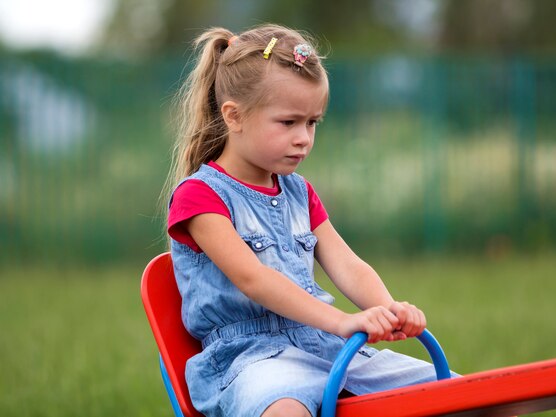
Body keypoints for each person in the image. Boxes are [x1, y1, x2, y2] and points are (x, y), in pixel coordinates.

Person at [164, 24, 444, 417]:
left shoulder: (299, 192)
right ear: (234, 116)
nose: (304, 138)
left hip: (326, 347)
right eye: (288, 122)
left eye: (312, 122)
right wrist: (342, 321)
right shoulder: (201, 196)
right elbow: (254, 280)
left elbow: (347, 265)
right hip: (252, 360)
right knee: (285, 410)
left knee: (460, 395)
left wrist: (388, 309)